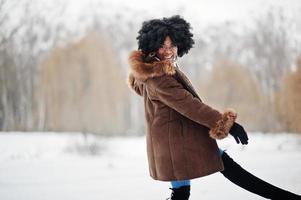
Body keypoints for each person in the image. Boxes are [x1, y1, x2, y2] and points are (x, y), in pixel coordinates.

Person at [127, 15, 301, 200]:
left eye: (172, 45)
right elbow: (190, 105)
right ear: (153, 47)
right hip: (177, 145)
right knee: (228, 172)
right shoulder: (160, 77)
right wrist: (227, 124)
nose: (169, 51)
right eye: (163, 46)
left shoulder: (152, 73)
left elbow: (146, 91)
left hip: (176, 142)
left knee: (187, 190)